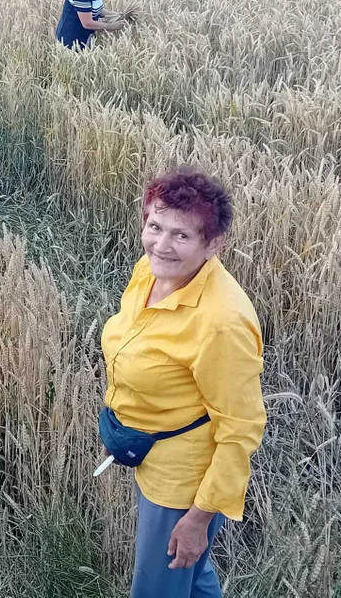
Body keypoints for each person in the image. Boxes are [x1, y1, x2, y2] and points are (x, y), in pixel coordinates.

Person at [100, 168, 266, 598]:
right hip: (149, 450)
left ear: (214, 244)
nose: (161, 244)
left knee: (159, 585)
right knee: (189, 577)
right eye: (154, 226)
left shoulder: (221, 323)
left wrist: (197, 518)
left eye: (181, 235)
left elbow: (241, 429)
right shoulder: (152, 270)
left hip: (181, 484)